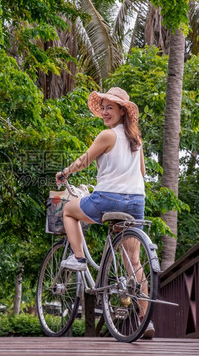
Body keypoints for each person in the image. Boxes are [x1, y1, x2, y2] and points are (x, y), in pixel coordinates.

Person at [55, 86, 154, 339]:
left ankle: (78, 258)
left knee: (68, 210)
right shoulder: (136, 139)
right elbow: (142, 173)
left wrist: (65, 172)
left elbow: (84, 161)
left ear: (122, 111)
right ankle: (146, 321)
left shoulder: (107, 135)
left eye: (111, 107)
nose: (105, 111)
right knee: (133, 261)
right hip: (136, 202)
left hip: (108, 199)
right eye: (103, 107)